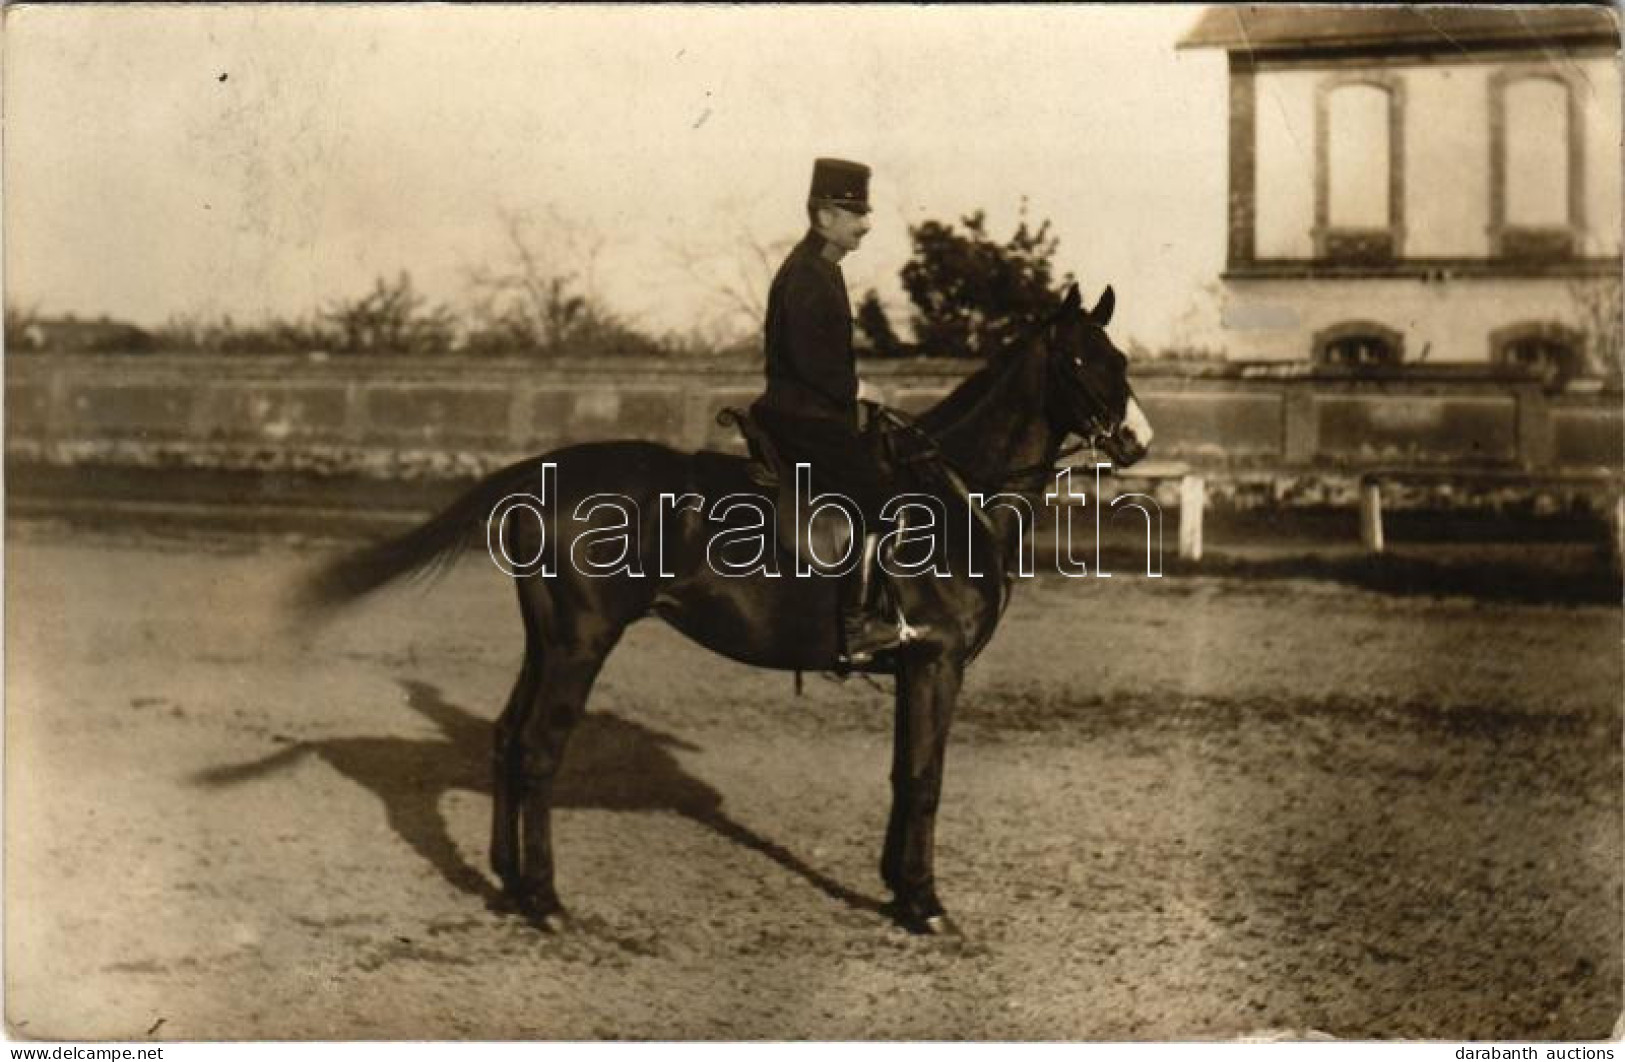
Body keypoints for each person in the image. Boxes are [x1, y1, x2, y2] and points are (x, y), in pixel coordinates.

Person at [750, 157, 922, 667]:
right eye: (855, 213)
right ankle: (856, 623)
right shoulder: (808, 273)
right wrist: (859, 389)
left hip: (811, 414)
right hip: (802, 418)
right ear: (824, 216)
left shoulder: (820, 269)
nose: (865, 224)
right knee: (879, 495)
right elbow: (809, 358)